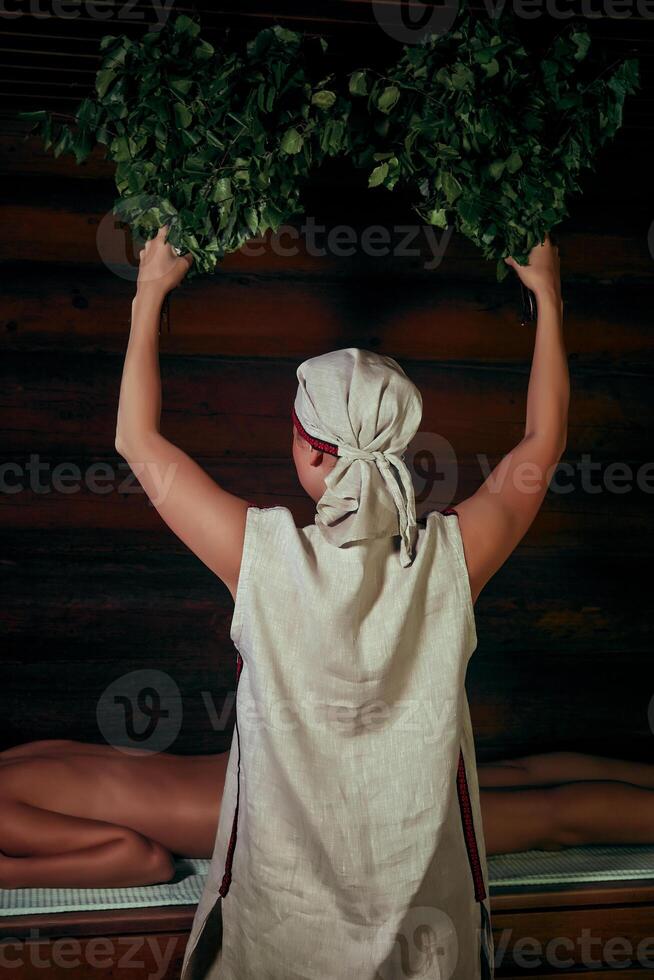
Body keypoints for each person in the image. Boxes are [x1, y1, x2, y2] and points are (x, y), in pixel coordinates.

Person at [112, 226, 568, 979]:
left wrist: (150, 291)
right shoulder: (452, 561)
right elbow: (542, 444)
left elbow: (137, 440)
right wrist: (548, 295)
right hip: (427, 941)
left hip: (281, 937)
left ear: (310, 450)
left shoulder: (257, 557)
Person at [3, 739, 654, 893]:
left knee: (545, 821)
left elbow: (141, 859)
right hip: (279, 764)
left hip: (301, 810)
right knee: (501, 780)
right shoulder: (20, 758)